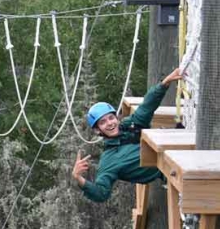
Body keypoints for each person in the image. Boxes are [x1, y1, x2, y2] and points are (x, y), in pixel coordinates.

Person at [72, 68, 183, 202]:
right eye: (103, 122)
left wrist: (166, 82)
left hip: (177, 147)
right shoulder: (109, 160)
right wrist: (79, 179)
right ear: (97, 130)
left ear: (116, 118)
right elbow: (101, 193)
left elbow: (146, 106)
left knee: (186, 126)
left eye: (111, 118)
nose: (109, 123)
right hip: (173, 171)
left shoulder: (130, 126)